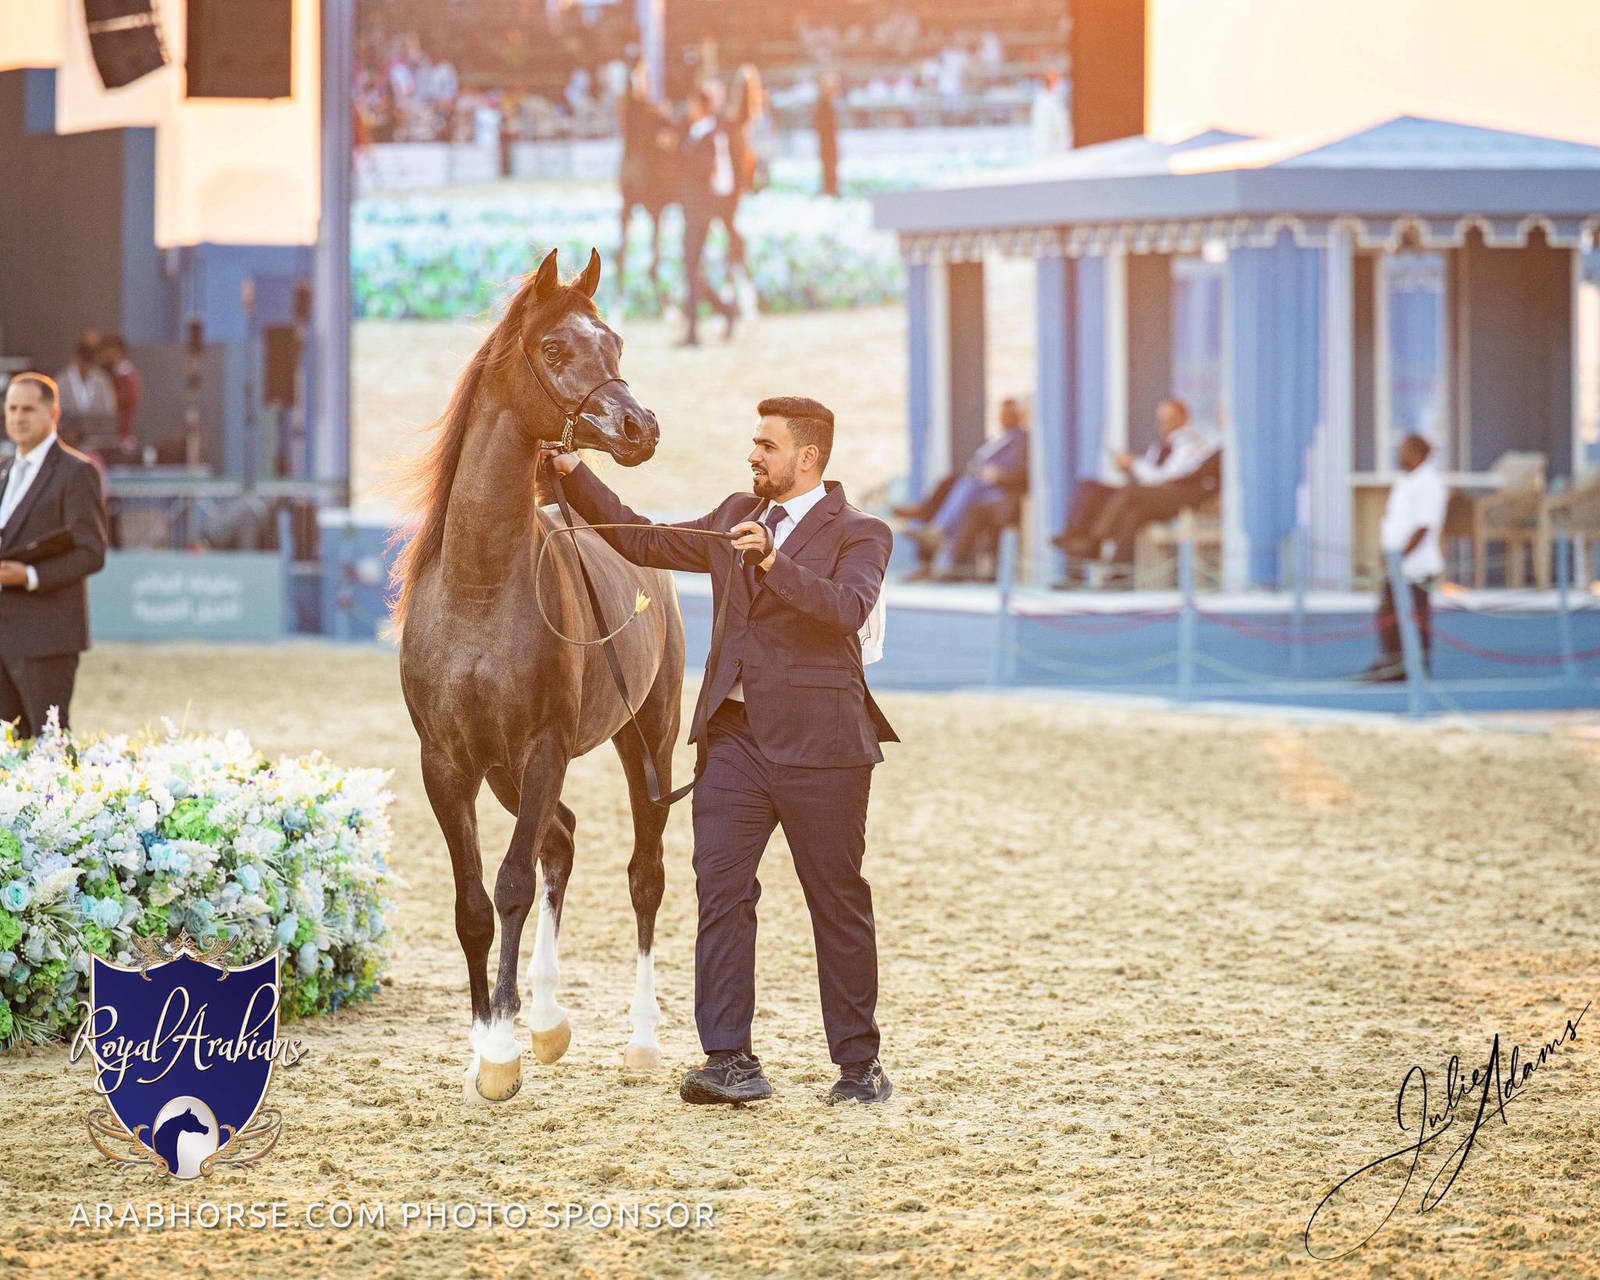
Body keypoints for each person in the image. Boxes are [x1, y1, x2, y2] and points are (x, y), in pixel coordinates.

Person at [542, 395, 898, 1107]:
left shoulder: (862, 532)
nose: (753, 455)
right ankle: (730, 1060)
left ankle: (858, 1068)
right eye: (753, 442)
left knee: (837, 903)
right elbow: (641, 540)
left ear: (808, 458)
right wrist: (573, 471)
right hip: (733, 744)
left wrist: (773, 564)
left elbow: (846, 611)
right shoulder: (738, 510)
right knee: (722, 895)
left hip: (824, 748)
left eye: (767, 445)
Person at [0, 374, 109, 738]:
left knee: (50, 747)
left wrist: (30, 576)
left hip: (47, 638)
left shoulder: (76, 473)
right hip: (4, 635)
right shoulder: (3, 473)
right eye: (12, 408)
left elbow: (91, 552)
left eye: (28, 409)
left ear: (54, 413)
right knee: (8, 751)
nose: (18, 417)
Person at [1051, 397, 1219, 582]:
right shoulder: (1159, 446)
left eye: (1169, 417)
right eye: (1161, 418)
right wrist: (1127, 467)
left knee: (1130, 493)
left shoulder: (1191, 443)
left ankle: (1093, 540)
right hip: (1147, 497)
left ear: (1183, 417)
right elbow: (1147, 476)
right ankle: (1111, 575)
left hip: (1173, 497)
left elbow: (1166, 477)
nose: (1164, 422)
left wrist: (1134, 463)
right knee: (1093, 489)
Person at [895, 397, 1030, 581]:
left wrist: (998, 476)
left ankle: (935, 530)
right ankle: (931, 525)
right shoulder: (997, 438)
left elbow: (1022, 473)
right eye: (1002, 412)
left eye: (1009, 413)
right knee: (950, 482)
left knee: (967, 488)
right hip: (981, 488)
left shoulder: (1022, 439)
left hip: (999, 491)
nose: (1004, 417)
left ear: (1019, 415)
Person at [1358, 434, 1448, 682]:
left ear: (1417, 453)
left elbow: (1424, 526)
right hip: (1397, 563)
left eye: (1404, 450)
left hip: (1416, 566)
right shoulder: (1406, 481)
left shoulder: (1429, 482)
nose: (1399, 454)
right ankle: (1393, 663)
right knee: (1389, 616)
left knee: (1415, 618)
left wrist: (1402, 556)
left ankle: (1415, 667)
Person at [678, 86, 739, 347]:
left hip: (700, 211)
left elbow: (715, 176)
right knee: (691, 269)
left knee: (691, 268)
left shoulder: (711, 136)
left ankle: (695, 329)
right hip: (693, 209)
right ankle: (723, 310)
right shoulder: (697, 133)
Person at [54, 334, 117, 442]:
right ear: (77, 357)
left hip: (97, 440)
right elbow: (54, 414)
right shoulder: (61, 382)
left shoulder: (102, 381)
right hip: (67, 440)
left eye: (91, 359)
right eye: (85, 358)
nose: (87, 366)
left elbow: (109, 412)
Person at [97, 334, 141, 454]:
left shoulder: (127, 378)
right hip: (104, 437)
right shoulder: (105, 376)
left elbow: (113, 404)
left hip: (121, 439)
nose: (104, 357)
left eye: (109, 354)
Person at [1030, 69, 1069, 159]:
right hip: (1049, 149)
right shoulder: (1044, 102)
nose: (1058, 84)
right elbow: (1045, 129)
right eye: (1056, 81)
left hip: (1058, 149)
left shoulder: (1055, 100)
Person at [815, 74, 840, 198]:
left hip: (829, 143)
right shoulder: (824, 105)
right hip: (827, 143)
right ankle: (829, 188)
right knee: (828, 166)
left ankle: (831, 187)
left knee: (830, 166)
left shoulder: (826, 104)